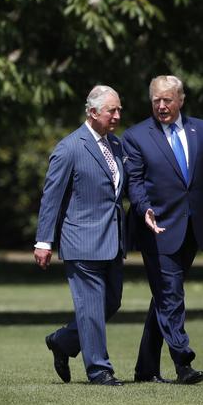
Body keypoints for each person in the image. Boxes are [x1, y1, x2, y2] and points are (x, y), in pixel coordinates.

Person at [123, 75, 203, 384]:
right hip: (157, 228)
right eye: (156, 100)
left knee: (163, 298)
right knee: (170, 294)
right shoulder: (137, 136)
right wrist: (144, 209)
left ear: (180, 100)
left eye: (167, 99)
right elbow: (136, 182)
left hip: (193, 228)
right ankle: (184, 362)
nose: (161, 105)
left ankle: (145, 368)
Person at [34, 85, 126, 386]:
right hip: (81, 241)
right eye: (111, 110)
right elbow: (52, 197)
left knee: (110, 303)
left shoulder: (116, 146)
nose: (117, 115)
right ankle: (99, 369)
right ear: (92, 112)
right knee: (89, 306)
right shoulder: (70, 147)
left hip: (112, 240)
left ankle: (63, 341)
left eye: (119, 109)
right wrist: (44, 241)